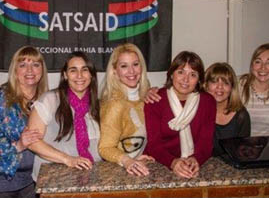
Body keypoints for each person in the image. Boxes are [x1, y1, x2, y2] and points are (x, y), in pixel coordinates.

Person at [0, 46, 48, 198]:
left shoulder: (46, 99)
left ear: (42, 70)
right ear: (15, 70)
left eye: (35, 64)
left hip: (31, 180)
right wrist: (18, 145)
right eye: (23, 65)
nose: (30, 70)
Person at [27, 52, 102, 181]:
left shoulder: (99, 105)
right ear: (65, 75)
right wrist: (68, 159)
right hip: (53, 180)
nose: (79, 75)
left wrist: (130, 157)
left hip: (92, 177)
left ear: (91, 75)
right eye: (73, 70)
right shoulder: (49, 100)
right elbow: (32, 142)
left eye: (85, 70)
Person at [143, 51, 216, 179]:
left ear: (199, 79)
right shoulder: (155, 100)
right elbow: (154, 145)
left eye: (193, 74)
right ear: (171, 74)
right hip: (158, 164)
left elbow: (206, 143)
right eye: (181, 72)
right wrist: (173, 162)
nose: (185, 79)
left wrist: (196, 159)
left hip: (192, 165)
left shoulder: (208, 102)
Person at [98, 43, 155, 176]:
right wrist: (127, 160)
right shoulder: (115, 105)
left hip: (136, 169)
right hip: (115, 174)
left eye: (135, 64)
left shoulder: (145, 97)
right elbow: (105, 148)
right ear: (114, 71)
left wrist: (134, 157)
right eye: (124, 66)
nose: (131, 71)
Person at [204, 62, 251, 156]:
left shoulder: (241, 115)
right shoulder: (198, 111)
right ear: (206, 85)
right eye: (214, 81)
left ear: (232, 88)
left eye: (226, 83)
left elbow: (243, 153)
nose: (220, 87)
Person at [239, 43, 269, 137]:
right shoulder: (238, 86)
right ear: (252, 65)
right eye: (258, 62)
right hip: (241, 147)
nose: (263, 67)